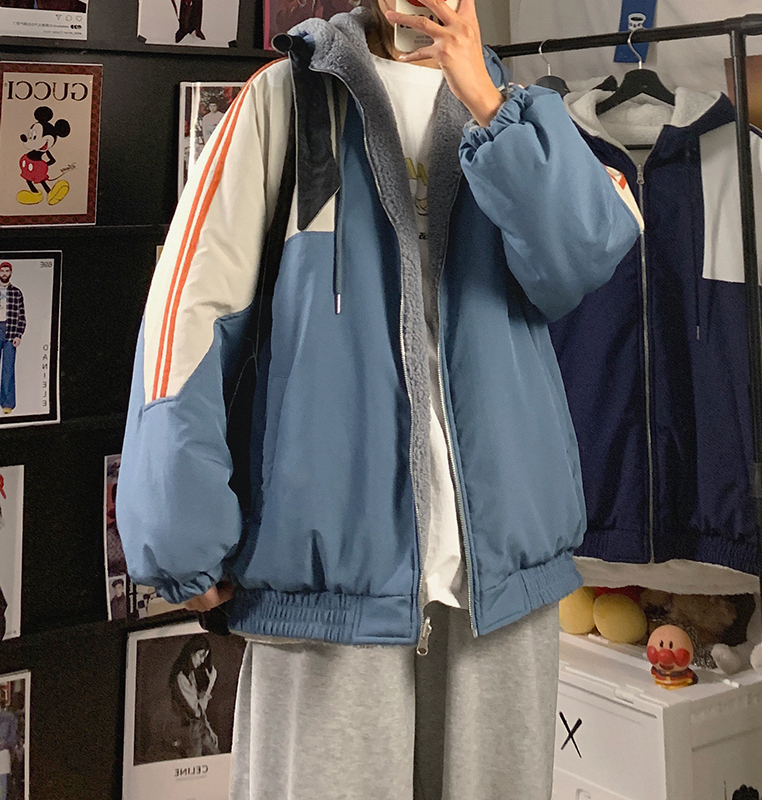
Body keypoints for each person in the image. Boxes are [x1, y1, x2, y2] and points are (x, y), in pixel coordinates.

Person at [116, 0, 641, 795]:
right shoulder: (288, 99)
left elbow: (580, 259)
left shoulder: (520, 112)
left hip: (500, 584)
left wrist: (487, 104)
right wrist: (179, 535)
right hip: (329, 588)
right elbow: (188, 319)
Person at [168, 634, 220, 758]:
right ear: (191, 652)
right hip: (189, 733)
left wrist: (209, 729)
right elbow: (196, 711)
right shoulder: (181, 678)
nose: (202, 661)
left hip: (199, 729)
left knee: (216, 754)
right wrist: (210, 685)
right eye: (201, 655)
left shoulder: (190, 674)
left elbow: (199, 709)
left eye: (204, 657)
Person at [0, 263, 25, 416]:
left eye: (6, 271)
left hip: (10, 331)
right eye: (2, 271)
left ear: (10, 272)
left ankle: (7, 403)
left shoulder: (16, 292)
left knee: (8, 368)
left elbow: (21, 316)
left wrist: (18, 335)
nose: (4, 273)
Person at [0, 696, 16, 800]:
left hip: (2, 753)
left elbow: (12, 738)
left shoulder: (9, 717)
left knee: (2, 785)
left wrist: (4, 743)